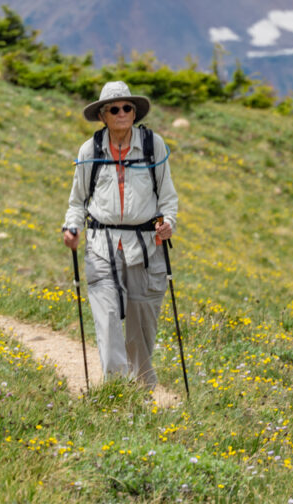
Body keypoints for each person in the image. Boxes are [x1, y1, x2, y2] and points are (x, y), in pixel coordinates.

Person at [62, 81, 178, 390]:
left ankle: (141, 387)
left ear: (135, 112)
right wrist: (71, 227)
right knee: (109, 320)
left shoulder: (154, 146)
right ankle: (115, 392)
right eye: (114, 109)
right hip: (101, 246)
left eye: (127, 108)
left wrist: (168, 222)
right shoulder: (90, 150)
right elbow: (77, 201)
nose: (122, 113)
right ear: (103, 115)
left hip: (146, 249)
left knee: (141, 329)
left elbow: (168, 198)